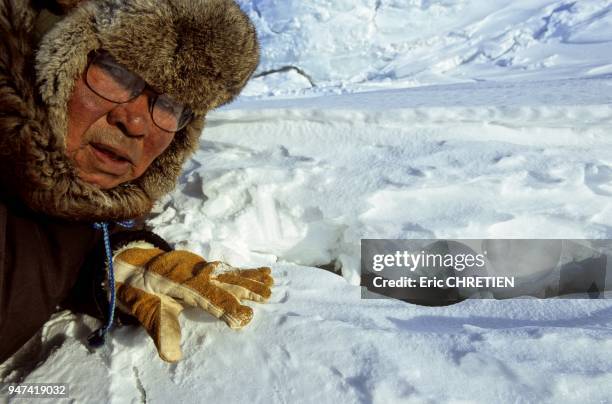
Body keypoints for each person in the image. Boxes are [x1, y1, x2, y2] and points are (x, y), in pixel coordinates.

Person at [0, 0, 273, 364]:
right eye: (115, 71)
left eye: (171, 104)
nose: (137, 123)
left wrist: (119, 260)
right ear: (46, 53)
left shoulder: (65, 200)